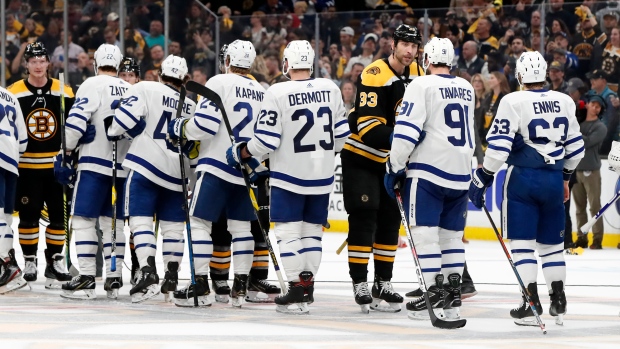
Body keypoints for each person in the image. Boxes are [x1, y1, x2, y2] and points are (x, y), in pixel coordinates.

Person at [226, 39, 349, 314]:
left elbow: (266, 141)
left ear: (287, 63)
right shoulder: (330, 88)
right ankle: (307, 286)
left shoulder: (277, 92)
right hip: (322, 177)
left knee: (288, 233)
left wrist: (242, 151)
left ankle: (295, 287)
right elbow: (341, 136)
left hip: (289, 176)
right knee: (311, 233)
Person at [468, 51, 584, 327]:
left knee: (522, 246)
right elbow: (576, 148)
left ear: (519, 76)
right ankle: (558, 299)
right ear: (544, 74)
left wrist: (482, 177)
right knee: (552, 247)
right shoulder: (565, 100)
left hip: (523, 179)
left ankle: (530, 303)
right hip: (554, 180)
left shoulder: (512, 100)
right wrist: (565, 178)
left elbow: (497, 148)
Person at [167, 40, 265, 308]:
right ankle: (240, 288)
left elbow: (205, 126)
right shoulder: (261, 90)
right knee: (242, 228)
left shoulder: (219, 82)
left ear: (228, 60)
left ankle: (199, 285)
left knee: (199, 223)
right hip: (243, 168)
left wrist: (181, 127)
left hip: (216, 164)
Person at [385, 37, 475, 320]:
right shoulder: (467, 87)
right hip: (461, 173)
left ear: (426, 61)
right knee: (451, 239)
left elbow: (406, 131)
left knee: (424, 234)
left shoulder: (420, 85)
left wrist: (394, 166)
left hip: (429, 172)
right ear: (452, 62)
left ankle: (432, 291)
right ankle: (452, 293)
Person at [342, 24, 423, 314]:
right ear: (394, 45)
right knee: (365, 218)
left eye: (414, 46)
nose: (410, 51)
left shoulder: (420, 76)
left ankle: (383, 282)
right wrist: (406, 136)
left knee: (390, 222)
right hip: (362, 158)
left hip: (393, 162)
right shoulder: (375, 73)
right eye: (405, 45)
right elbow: (366, 127)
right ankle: (360, 282)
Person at [107, 55, 196, 303]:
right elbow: (193, 146)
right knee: (173, 229)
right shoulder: (190, 104)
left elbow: (120, 124)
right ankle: (171, 276)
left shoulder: (145, 87)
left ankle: (147, 272)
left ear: (160, 73)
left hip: (145, 165)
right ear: (185, 79)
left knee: (140, 221)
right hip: (177, 172)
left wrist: (115, 128)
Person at [56, 44, 132, 300]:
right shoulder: (130, 89)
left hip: (93, 164)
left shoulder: (91, 84)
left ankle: (87, 277)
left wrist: (66, 152)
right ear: (120, 65)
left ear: (96, 63)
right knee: (114, 223)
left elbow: (76, 122)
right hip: (122, 168)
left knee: (83, 219)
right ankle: (114, 278)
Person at [7, 42, 74, 288]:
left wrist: (73, 154)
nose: (37, 65)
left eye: (41, 60)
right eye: (32, 61)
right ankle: (30, 260)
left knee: (58, 217)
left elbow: (74, 125)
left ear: (48, 63)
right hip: (26, 167)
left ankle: (55, 262)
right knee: (28, 215)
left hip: (56, 167)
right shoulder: (13, 92)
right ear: (26, 64)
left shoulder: (63, 90)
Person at [0, 84, 28, 294]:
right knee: (5, 217)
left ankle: (8, 266)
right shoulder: (10, 96)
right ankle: (7, 265)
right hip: (11, 162)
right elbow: (24, 142)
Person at [573, 94, 607, 250]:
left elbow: (586, 142)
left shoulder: (601, 127)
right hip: (577, 169)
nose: (595, 107)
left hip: (591, 170)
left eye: (598, 106)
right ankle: (581, 237)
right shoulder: (580, 123)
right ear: (587, 105)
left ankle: (597, 238)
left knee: (595, 207)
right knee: (579, 208)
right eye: (593, 104)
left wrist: (574, 130)